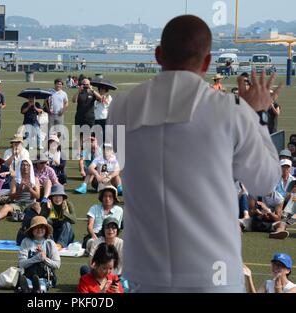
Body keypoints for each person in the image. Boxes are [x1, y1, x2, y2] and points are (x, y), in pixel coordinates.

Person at [107, 15, 281, 292]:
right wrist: (254, 114)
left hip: (147, 273)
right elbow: (265, 181)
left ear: (158, 55)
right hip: (213, 274)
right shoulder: (231, 111)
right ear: (207, 62)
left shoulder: (121, 107)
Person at [16, 184, 76, 249]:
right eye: (55, 196)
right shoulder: (46, 205)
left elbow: (73, 220)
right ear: (51, 198)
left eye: (60, 196)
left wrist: (61, 211)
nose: (57, 199)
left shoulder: (68, 204)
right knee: (47, 222)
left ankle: (59, 245)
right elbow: (41, 221)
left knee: (66, 223)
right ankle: (50, 244)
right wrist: (49, 210)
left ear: (63, 197)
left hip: (65, 235)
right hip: (51, 235)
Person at [17, 216, 61, 293]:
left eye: (42, 227)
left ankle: (37, 289)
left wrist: (44, 259)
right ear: (32, 230)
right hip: (28, 275)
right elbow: (21, 264)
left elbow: (57, 264)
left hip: (45, 277)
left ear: (46, 229)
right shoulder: (25, 242)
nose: (39, 229)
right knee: (27, 282)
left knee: (40, 284)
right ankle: (27, 288)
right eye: (36, 227)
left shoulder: (50, 243)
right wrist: (36, 258)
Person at [83, 185, 123, 254]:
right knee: (90, 242)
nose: (107, 199)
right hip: (95, 235)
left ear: (114, 198)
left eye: (110, 196)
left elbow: (117, 228)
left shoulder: (119, 210)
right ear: (102, 197)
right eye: (105, 196)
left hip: (110, 235)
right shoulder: (94, 208)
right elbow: (90, 226)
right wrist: (95, 239)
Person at [72, 78, 102, 150]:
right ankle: (80, 152)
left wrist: (92, 90)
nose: (85, 86)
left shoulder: (92, 92)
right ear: (81, 85)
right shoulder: (79, 93)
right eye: (84, 84)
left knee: (90, 135)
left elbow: (100, 98)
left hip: (90, 118)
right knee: (79, 136)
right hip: (79, 117)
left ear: (90, 84)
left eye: (87, 84)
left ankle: (88, 149)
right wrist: (78, 91)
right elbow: (73, 100)